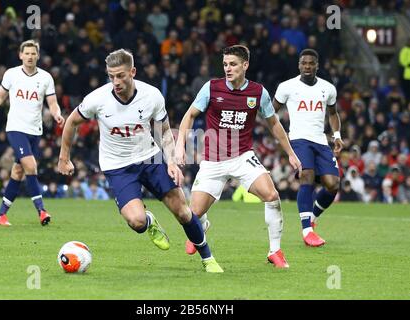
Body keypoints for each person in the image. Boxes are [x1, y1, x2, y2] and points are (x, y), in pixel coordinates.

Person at [58, 49, 223, 273]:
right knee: (136, 222)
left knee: (183, 212)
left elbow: (164, 131)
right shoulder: (97, 99)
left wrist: (172, 161)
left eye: (120, 75)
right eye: (111, 76)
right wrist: (64, 158)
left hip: (150, 158)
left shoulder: (152, 96)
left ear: (133, 72)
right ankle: (149, 221)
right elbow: (71, 122)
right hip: (117, 166)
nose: (115, 81)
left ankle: (208, 258)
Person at [175, 45, 302, 268]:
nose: (228, 68)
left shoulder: (257, 92)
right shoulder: (211, 88)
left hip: (242, 157)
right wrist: (179, 146)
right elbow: (189, 115)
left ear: (245, 65)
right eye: (225, 64)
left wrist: (290, 152)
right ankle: (201, 225)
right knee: (192, 215)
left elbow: (273, 123)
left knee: (271, 195)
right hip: (213, 161)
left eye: (233, 64)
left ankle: (275, 251)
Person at [0, 40, 65, 226]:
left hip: (35, 130)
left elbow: (52, 102)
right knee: (31, 166)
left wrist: (56, 114)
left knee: (18, 170)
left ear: (38, 56)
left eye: (33, 54)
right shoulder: (11, 74)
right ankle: (42, 211)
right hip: (15, 128)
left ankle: (1, 215)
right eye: (27, 53)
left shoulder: (46, 78)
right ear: (20, 55)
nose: (30, 57)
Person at [273, 48, 344, 247]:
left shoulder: (328, 88)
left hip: (320, 141)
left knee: (333, 184)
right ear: (299, 65)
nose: (307, 66)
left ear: (317, 66)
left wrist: (337, 135)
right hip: (298, 139)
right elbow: (271, 111)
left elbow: (333, 113)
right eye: (304, 63)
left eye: (311, 63)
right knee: (308, 176)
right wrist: (280, 135)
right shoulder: (287, 87)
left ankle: (312, 217)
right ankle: (307, 230)